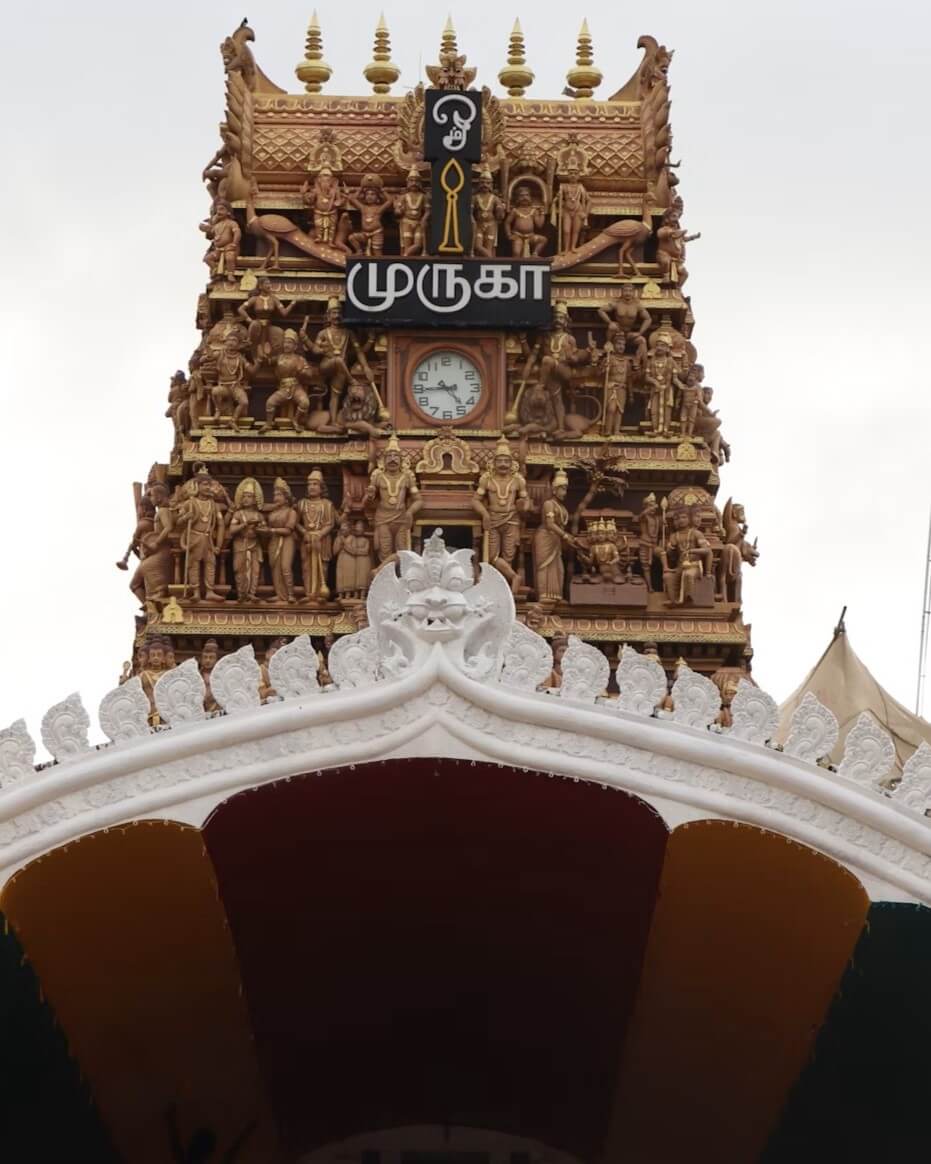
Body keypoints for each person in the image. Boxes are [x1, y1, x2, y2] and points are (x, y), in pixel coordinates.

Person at [472, 436, 529, 593]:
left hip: (512, 519)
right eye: (500, 461)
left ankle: (504, 588)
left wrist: (523, 506)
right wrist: (484, 514)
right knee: (491, 556)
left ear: (512, 464)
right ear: (494, 463)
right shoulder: (486, 479)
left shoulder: (518, 480)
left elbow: (525, 499)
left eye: (506, 461)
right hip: (493, 519)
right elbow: (476, 500)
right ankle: (513, 577)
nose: (503, 464)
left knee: (509, 555)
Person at [365, 435, 421, 565]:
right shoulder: (378, 476)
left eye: (396, 456)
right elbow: (368, 502)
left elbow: (418, 500)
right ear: (383, 461)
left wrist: (410, 512)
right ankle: (385, 579)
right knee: (384, 550)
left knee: (403, 551)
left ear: (401, 460)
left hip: (401, 518)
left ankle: (401, 579)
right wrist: (369, 496)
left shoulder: (407, 476)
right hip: (383, 518)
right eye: (389, 456)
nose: (392, 459)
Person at [177, 469, 225, 602]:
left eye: (209, 485)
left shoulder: (214, 505)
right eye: (204, 484)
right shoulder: (189, 503)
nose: (208, 487)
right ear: (197, 486)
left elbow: (221, 525)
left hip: (208, 538)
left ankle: (210, 591)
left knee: (211, 563)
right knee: (194, 564)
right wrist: (186, 516)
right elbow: (178, 522)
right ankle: (196, 591)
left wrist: (218, 545)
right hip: (194, 537)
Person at [532, 468, 576, 603]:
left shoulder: (561, 507)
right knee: (544, 566)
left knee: (558, 569)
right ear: (554, 489)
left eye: (566, 489)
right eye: (562, 489)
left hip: (555, 540)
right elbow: (550, 524)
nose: (565, 492)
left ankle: (556, 595)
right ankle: (543, 595)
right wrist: (565, 536)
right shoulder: (549, 504)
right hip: (545, 537)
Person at [297, 469, 337, 601]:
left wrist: (319, 534)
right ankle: (309, 594)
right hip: (307, 540)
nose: (312, 487)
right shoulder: (302, 504)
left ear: (321, 488)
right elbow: (295, 523)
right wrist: (305, 532)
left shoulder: (327, 504)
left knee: (323, 567)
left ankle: (320, 594)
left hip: (322, 540)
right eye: (309, 484)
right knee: (306, 567)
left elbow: (330, 524)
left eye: (315, 484)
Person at [265, 479, 298, 604]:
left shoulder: (291, 512)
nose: (276, 497)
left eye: (279, 495)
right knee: (275, 568)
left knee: (285, 566)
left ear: (286, 497)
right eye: (275, 495)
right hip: (273, 541)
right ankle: (279, 594)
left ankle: (290, 594)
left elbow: (289, 530)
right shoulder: (272, 513)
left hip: (286, 541)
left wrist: (271, 530)